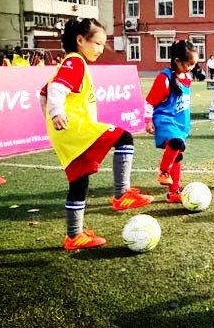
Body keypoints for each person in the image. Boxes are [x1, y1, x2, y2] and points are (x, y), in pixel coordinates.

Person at [39, 18, 154, 251]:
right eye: (98, 43)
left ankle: (74, 236)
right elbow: (56, 88)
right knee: (124, 138)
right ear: (80, 40)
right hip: (75, 127)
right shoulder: (75, 62)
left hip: (66, 133)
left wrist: (51, 119)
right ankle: (122, 195)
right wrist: (58, 113)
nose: (101, 49)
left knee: (79, 181)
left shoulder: (71, 63)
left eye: (103, 44)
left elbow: (43, 93)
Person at [145, 40, 198, 203]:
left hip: (180, 123)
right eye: (189, 64)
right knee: (176, 143)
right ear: (177, 61)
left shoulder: (187, 77)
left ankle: (173, 192)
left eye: (194, 64)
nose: (191, 67)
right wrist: (148, 121)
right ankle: (163, 171)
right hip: (165, 120)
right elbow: (149, 102)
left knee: (178, 155)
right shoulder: (164, 78)